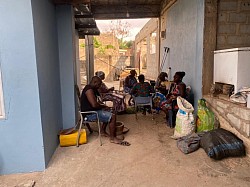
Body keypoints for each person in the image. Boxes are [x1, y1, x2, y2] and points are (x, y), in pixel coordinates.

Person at [80, 76, 130, 146]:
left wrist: (104, 106)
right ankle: (113, 138)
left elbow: (99, 101)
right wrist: (103, 106)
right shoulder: (89, 90)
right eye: (99, 84)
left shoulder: (93, 89)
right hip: (89, 114)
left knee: (111, 110)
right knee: (112, 116)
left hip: (92, 111)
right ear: (95, 82)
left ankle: (103, 131)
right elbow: (94, 105)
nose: (100, 86)